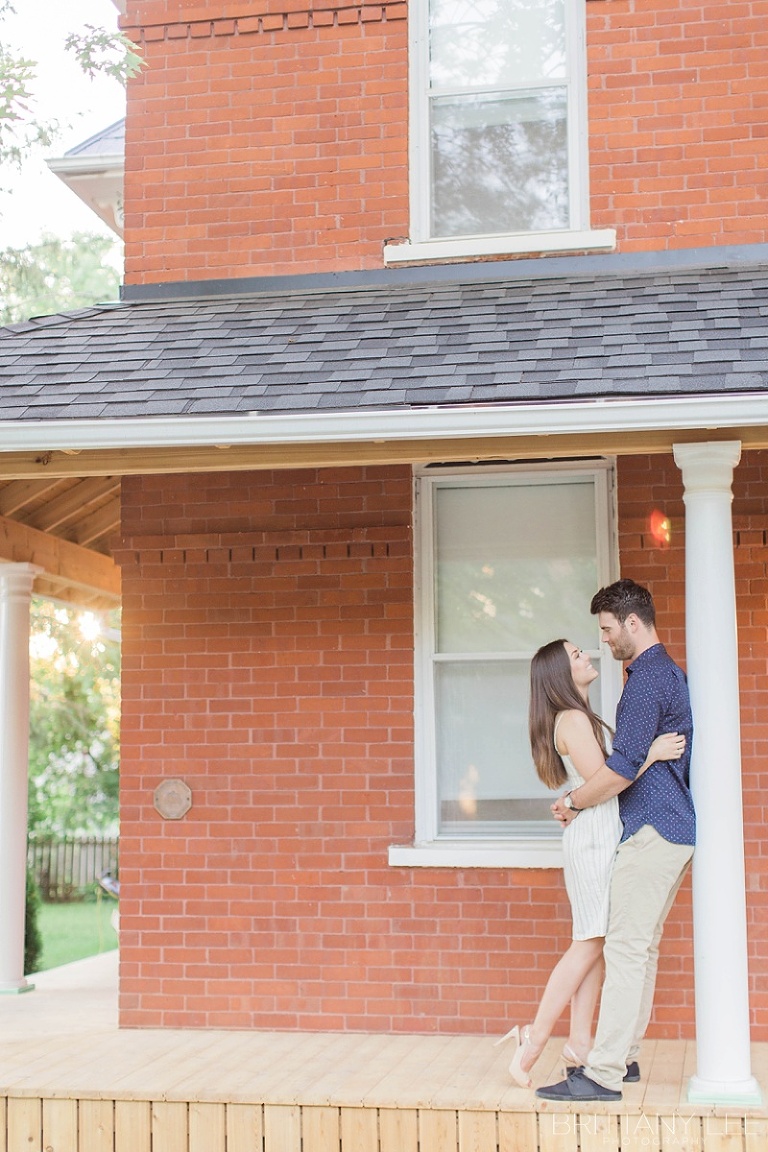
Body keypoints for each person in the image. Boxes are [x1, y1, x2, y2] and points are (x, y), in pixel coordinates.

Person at [536, 579, 695, 1103]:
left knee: (626, 950)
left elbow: (622, 768)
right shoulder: (664, 674)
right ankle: (622, 1059)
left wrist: (573, 802)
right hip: (670, 827)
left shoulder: (648, 680)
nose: (603, 640)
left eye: (606, 630)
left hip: (651, 828)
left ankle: (601, 1073)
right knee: (640, 950)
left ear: (631, 622)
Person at [499, 637, 684, 1088]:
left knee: (597, 940)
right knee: (587, 942)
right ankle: (533, 1041)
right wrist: (653, 754)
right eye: (576, 654)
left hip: (598, 833)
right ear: (561, 673)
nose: (585, 655)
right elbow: (610, 780)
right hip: (594, 838)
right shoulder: (573, 719)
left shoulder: (577, 716)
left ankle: (580, 1041)